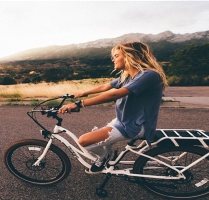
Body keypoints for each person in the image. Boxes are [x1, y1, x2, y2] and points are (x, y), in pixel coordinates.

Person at [58, 41, 168, 174]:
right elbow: (106, 86)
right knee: (98, 137)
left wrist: (80, 103)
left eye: (116, 55)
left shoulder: (148, 75)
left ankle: (104, 157)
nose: (113, 59)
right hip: (123, 120)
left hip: (136, 125)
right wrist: (83, 93)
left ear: (130, 56)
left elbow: (114, 94)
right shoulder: (127, 76)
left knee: (84, 141)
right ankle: (108, 154)